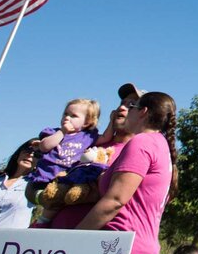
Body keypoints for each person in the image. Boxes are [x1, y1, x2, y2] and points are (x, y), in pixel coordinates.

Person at [77, 91, 178, 254]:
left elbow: (116, 200)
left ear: (143, 112)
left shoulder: (142, 143)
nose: (126, 111)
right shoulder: (162, 147)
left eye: (132, 106)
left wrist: (72, 239)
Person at [46, 83, 143, 230]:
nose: (122, 108)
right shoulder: (88, 143)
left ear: (143, 115)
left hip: (90, 242)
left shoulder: (136, 155)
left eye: (131, 105)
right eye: (121, 104)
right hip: (53, 238)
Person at [27, 98, 101, 221]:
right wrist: (62, 132)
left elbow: (105, 137)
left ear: (87, 122)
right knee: (51, 200)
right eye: (65, 114)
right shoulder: (53, 132)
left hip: (66, 180)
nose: (67, 117)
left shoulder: (87, 137)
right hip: (46, 177)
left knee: (59, 200)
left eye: (74, 116)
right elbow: (45, 146)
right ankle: (41, 221)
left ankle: (43, 221)